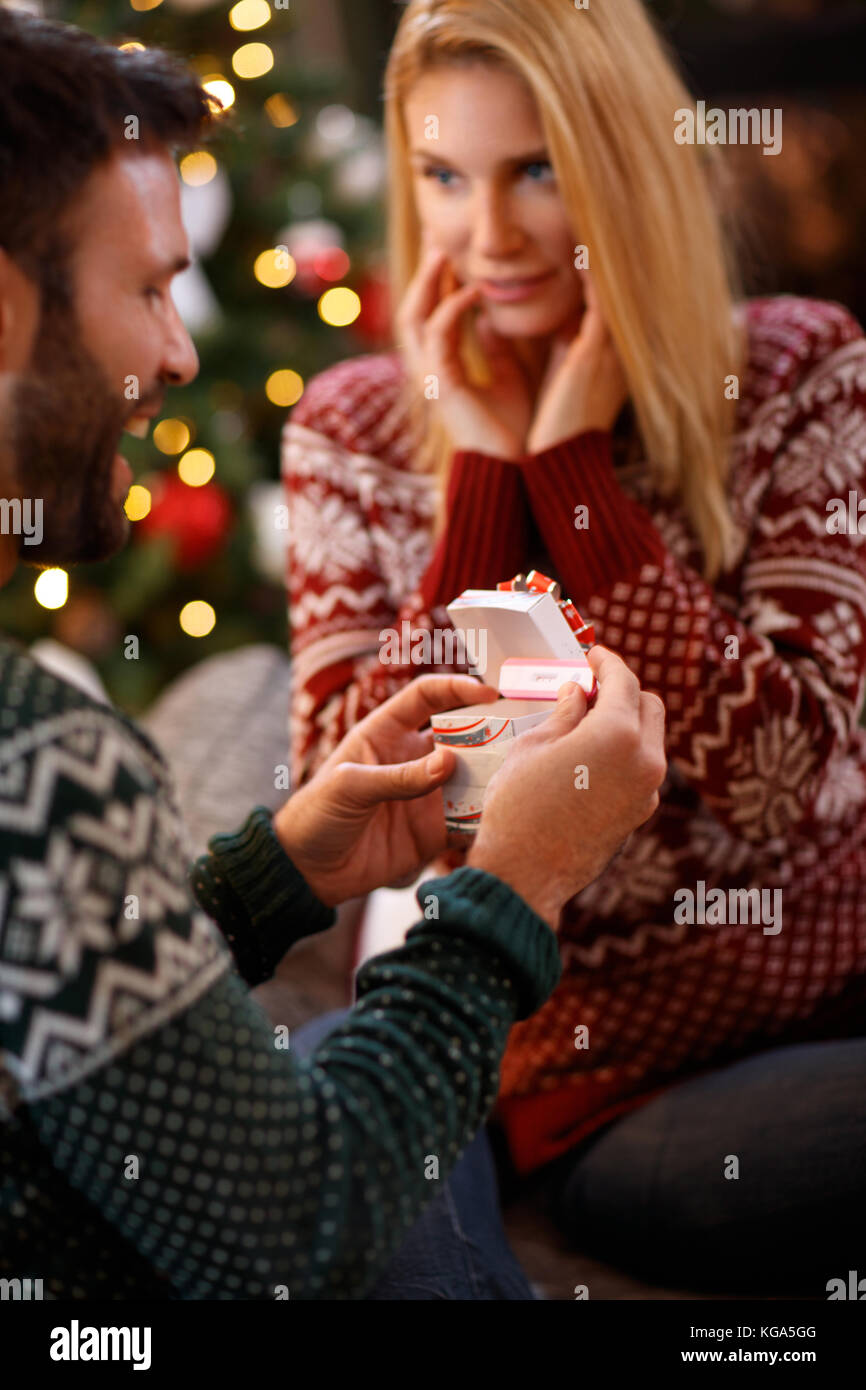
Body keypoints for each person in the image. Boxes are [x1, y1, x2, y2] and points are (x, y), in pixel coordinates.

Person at [0, 8, 667, 1301]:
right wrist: (512, 890)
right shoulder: (43, 751)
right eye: (147, 288)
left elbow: (46, 1009)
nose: (181, 351)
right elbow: (297, 1238)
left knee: (346, 1036)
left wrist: (277, 873)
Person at [282, 0, 866, 1292]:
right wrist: (493, 474)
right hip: (577, 1092)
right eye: (444, 176)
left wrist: (576, 475)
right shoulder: (356, 432)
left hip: (801, 1014)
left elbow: (792, 781)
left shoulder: (798, 369)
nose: (485, 236)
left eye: (533, 171)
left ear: (627, 165)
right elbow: (357, 811)